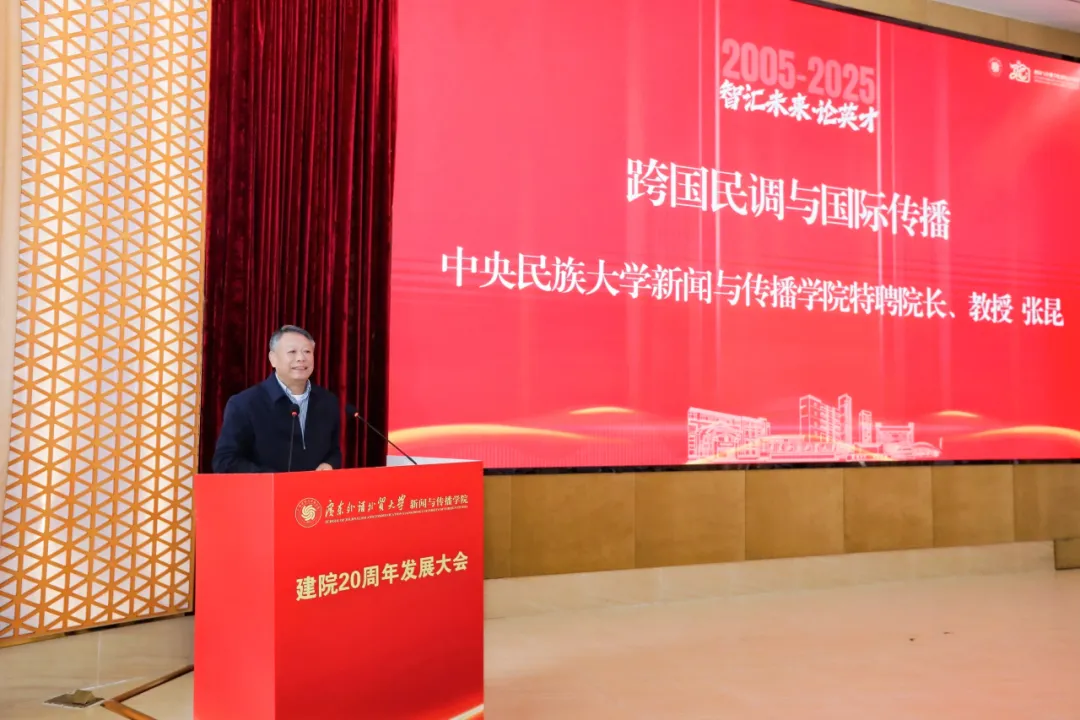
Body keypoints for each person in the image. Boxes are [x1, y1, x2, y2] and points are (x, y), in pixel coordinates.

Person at [211, 325, 342, 473]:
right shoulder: (244, 404)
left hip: (314, 488)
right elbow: (225, 461)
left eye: (307, 351)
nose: (301, 358)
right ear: (273, 359)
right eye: (292, 352)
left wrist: (330, 464)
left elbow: (334, 451)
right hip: (265, 487)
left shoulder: (328, 402)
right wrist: (272, 478)